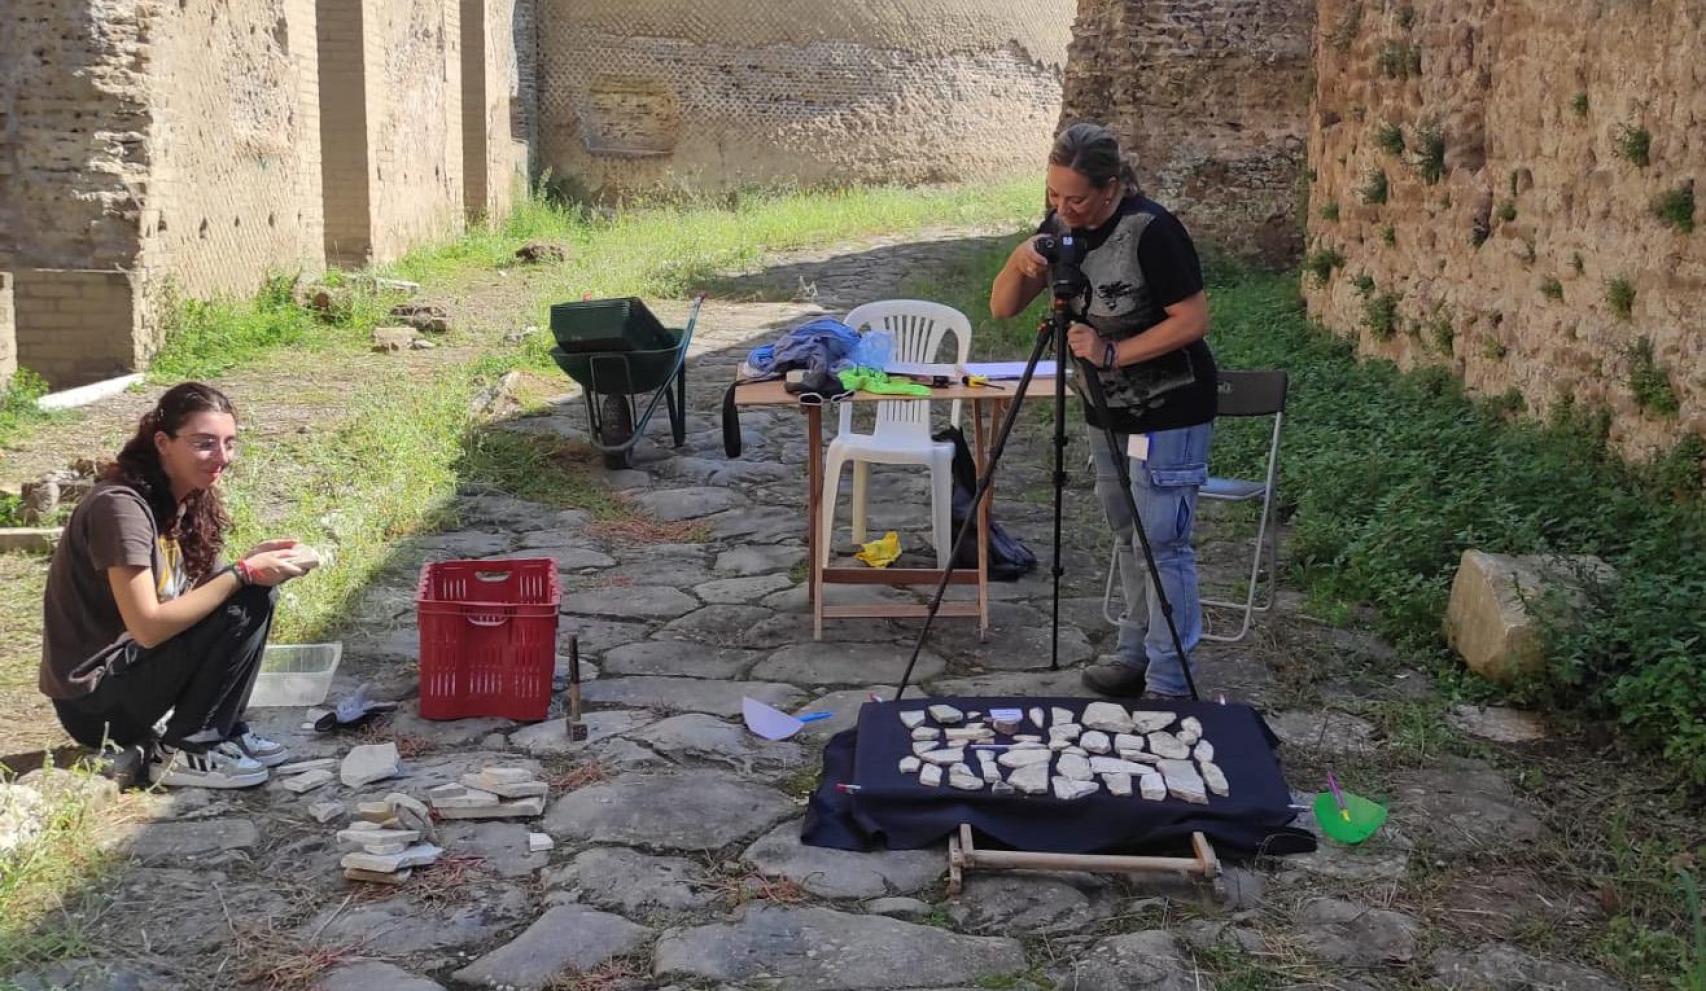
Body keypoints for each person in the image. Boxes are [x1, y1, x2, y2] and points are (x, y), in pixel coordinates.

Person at [990, 121, 1217, 700]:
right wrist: (1021, 261)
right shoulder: (1061, 226)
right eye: (1053, 196)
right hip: (1105, 411)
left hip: (1170, 407)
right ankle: (1134, 651)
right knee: (1126, 535)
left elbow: (1192, 322)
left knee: (1161, 540)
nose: (1064, 208)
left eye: (1077, 198)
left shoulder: (1152, 231)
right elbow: (1001, 309)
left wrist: (1114, 351)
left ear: (1112, 187)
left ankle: (1172, 680)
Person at [38, 382, 319, 788]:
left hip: (135, 669)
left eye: (230, 443)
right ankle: (189, 748)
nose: (221, 457)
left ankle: (223, 729)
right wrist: (242, 571)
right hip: (95, 701)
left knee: (252, 594)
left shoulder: (186, 498)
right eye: (204, 443)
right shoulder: (120, 508)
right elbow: (148, 626)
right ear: (163, 442)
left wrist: (254, 563)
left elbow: (206, 593)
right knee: (244, 598)